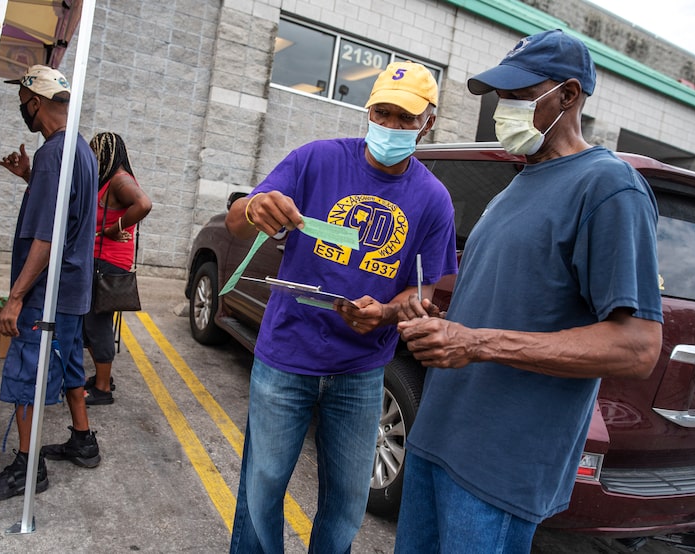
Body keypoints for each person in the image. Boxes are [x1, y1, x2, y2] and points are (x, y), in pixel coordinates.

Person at [394, 30, 663, 553]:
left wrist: (477, 344)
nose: (504, 108)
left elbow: (636, 347)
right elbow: (504, 301)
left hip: (499, 470)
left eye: (519, 95)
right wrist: (426, 313)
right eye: (501, 96)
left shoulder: (609, 187)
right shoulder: (519, 182)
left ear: (567, 95)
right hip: (437, 439)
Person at [225, 61, 458, 553]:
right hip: (286, 357)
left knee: (349, 501)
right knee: (262, 487)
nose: (391, 127)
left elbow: (426, 294)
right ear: (367, 111)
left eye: (405, 118)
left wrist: (388, 313)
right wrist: (253, 207)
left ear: (428, 123)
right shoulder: (316, 160)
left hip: (361, 370)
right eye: (383, 113)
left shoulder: (432, 200)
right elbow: (236, 222)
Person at [0, 65, 99, 501]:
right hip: (73, 289)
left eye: (22, 104)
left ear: (35, 103)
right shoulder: (80, 148)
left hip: (46, 293)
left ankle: (28, 469)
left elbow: (47, 236)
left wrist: (15, 299)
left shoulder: (52, 155)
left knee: (30, 373)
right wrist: (29, 176)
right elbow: (70, 210)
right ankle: (83, 440)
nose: (21, 111)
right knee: (68, 364)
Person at [82, 131, 152, 405]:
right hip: (101, 262)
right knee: (90, 325)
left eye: (94, 152)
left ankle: (102, 389)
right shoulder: (111, 181)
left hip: (107, 264)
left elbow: (144, 204)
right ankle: (102, 377)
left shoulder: (120, 180)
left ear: (105, 153)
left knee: (96, 326)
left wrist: (113, 229)